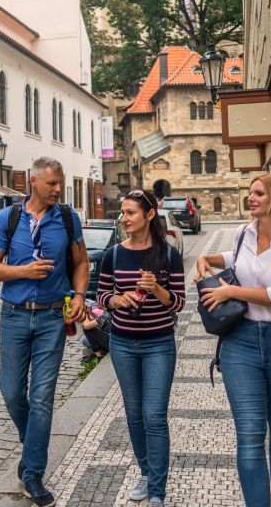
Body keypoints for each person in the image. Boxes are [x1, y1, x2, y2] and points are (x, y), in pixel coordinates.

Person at [195, 174, 271, 507]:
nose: (251, 198)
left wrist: (231, 291)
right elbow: (238, 260)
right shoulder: (243, 233)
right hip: (241, 341)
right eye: (250, 193)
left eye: (259, 193)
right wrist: (208, 259)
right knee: (248, 436)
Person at [0, 157, 89, 507]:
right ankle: (32, 447)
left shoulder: (68, 219)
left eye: (60, 183)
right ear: (33, 182)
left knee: (43, 398)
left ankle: (33, 474)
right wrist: (24, 271)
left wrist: (78, 295)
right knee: (12, 391)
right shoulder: (8, 219)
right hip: (13, 316)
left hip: (50, 320)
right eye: (52, 184)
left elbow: (82, 263)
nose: (58, 189)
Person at [97, 189, 185, 507]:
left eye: (131, 212)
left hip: (159, 344)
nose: (124, 218)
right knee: (134, 415)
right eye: (123, 212)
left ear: (149, 215)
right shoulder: (114, 255)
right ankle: (147, 473)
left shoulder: (169, 255)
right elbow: (102, 296)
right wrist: (118, 300)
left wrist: (156, 288)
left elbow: (178, 302)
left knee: (154, 415)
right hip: (122, 344)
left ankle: (158, 489)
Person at [80, 299, 111, 363]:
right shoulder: (109, 311)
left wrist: (83, 312)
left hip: (113, 343)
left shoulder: (108, 314)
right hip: (114, 338)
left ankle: (97, 352)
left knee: (87, 331)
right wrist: (90, 313)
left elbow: (87, 326)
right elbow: (101, 321)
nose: (96, 302)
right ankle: (100, 350)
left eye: (98, 300)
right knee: (85, 339)